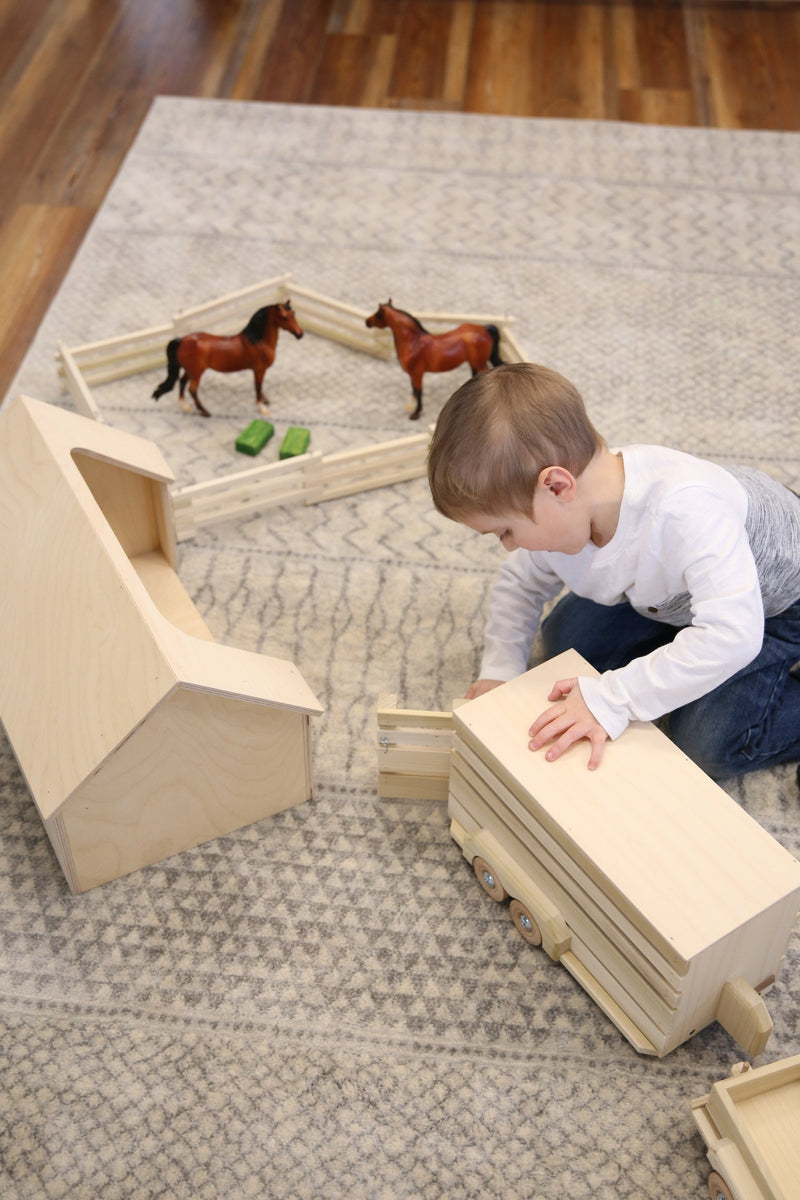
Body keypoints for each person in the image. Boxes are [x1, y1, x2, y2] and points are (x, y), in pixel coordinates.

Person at [427, 362, 800, 779]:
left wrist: (615, 699)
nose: (509, 546)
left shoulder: (683, 511)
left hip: (775, 605)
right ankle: (685, 643)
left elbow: (735, 635)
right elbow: (520, 583)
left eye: (505, 532)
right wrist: (500, 670)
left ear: (556, 486)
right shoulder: (570, 505)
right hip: (670, 597)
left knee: (705, 742)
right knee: (568, 642)